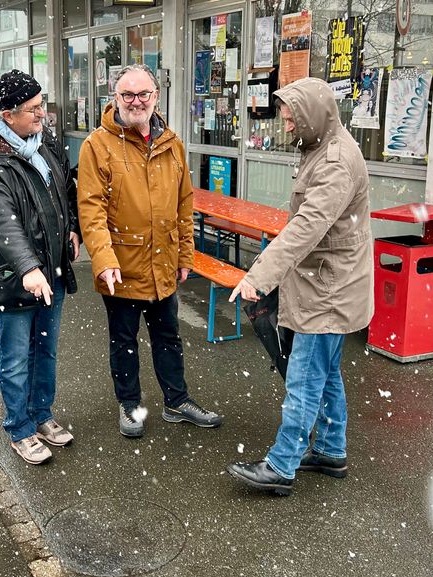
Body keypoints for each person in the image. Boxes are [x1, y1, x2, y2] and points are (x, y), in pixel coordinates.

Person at [226, 77, 374, 496]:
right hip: (327, 282)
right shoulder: (322, 147)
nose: (287, 126)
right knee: (324, 374)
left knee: (304, 378)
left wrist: (258, 276)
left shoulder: (335, 161)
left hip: (327, 289)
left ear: (313, 116)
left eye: (292, 119)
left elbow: (307, 226)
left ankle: (282, 464)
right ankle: (329, 449)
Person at [78, 64, 222, 438]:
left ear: (156, 97)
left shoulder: (171, 143)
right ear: (115, 98)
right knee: (124, 341)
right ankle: (130, 406)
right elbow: (91, 209)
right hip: (122, 266)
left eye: (143, 94)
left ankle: (177, 401)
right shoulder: (97, 145)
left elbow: (184, 205)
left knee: (168, 336)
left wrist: (185, 255)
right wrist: (103, 260)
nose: (136, 101)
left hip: (163, 262)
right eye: (127, 94)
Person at [0, 70, 81, 465]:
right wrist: (28, 267)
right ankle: (19, 427)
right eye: (33, 109)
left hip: (54, 268)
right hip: (15, 275)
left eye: (41, 105)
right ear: (8, 114)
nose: (41, 114)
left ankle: (42, 414)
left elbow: (66, 188)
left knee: (45, 350)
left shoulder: (45, 141)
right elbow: (0, 219)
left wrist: (73, 228)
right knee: (16, 356)